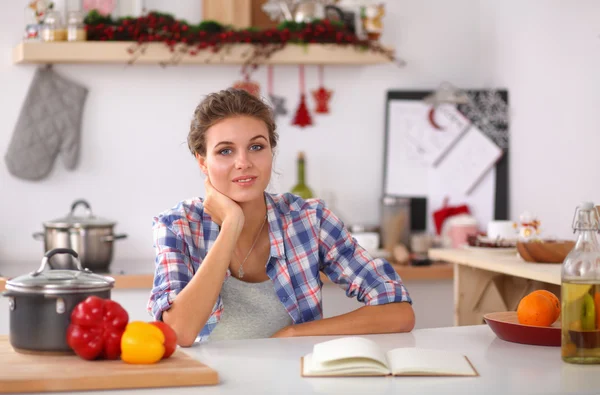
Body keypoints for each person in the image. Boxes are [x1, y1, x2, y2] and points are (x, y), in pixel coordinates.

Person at [147, 88, 415, 346]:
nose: (244, 162)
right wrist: (231, 225)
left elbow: (399, 312)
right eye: (225, 151)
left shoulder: (309, 220)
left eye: (256, 147)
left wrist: (295, 334)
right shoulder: (177, 226)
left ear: (271, 152)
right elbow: (178, 332)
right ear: (202, 162)